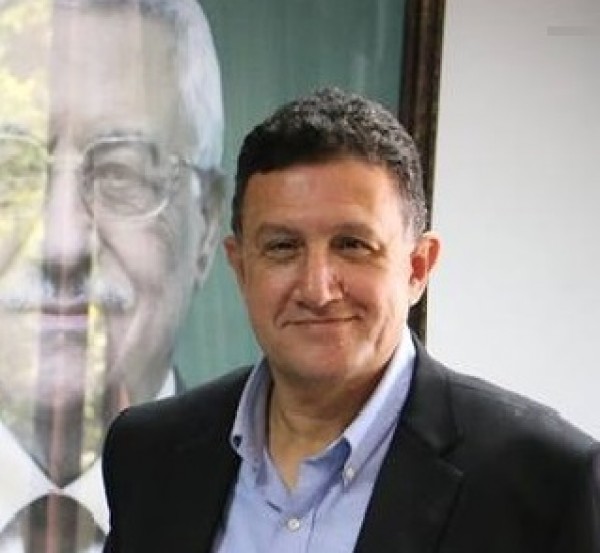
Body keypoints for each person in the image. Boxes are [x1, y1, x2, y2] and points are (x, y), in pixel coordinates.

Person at [101, 88, 600, 553]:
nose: (317, 290)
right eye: (283, 247)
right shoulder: (148, 455)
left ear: (418, 268)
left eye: (353, 245)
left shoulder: (545, 481)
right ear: (241, 268)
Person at [0, 0, 223, 550]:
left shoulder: (280, 508)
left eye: (122, 173)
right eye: (11, 171)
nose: (62, 244)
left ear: (207, 225)